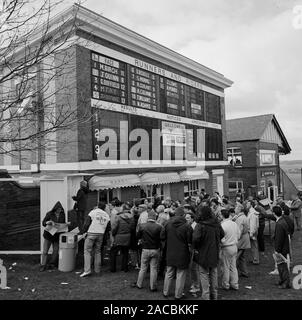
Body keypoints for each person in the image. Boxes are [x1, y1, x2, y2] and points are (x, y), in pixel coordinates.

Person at [193, 206, 225, 300]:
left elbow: (195, 238)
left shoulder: (200, 225)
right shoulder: (216, 223)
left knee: (203, 274)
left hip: (203, 252)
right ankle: (214, 295)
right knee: (213, 273)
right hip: (214, 251)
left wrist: (197, 246)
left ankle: (206, 296)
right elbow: (222, 234)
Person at [161, 207, 192, 300]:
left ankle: (165, 292)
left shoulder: (167, 223)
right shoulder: (187, 226)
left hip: (170, 251)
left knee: (169, 272)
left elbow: (162, 236)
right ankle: (178, 295)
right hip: (182, 253)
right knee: (180, 274)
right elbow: (190, 240)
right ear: (183, 215)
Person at [132, 210, 163, 291]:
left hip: (145, 249)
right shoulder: (159, 227)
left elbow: (137, 236)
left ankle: (139, 284)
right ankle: (153, 287)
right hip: (155, 249)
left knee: (143, 268)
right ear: (155, 217)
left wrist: (142, 239)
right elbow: (162, 238)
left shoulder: (142, 226)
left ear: (148, 217)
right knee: (153, 268)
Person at [79, 202, 111, 277]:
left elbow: (87, 223)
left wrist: (83, 232)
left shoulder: (93, 212)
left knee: (87, 251)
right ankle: (97, 270)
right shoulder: (106, 215)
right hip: (101, 234)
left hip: (91, 233)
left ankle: (87, 270)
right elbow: (108, 228)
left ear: (97, 206)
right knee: (98, 252)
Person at [40, 201, 66, 271]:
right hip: (48, 235)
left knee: (55, 251)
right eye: (58, 209)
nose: (59, 210)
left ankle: (51, 264)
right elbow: (43, 223)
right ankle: (43, 265)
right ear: (55, 208)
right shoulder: (49, 214)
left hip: (57, 235)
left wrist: (65, 225)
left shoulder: (63, 214)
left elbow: (62, 224)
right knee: (45, 251)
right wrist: (48, 222)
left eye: (60, 209)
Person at [110, 203, 135, 272]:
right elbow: (132, 228)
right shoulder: (131, 217)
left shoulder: (118, 217)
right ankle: (124, 268)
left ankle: (113, 268)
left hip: (118, 236)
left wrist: (113, 234)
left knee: (113, 252)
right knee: (125, 252)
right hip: (127, 236)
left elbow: (114, 227)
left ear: (123, 209)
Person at [220, 209, 241, 290]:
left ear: (222, 216)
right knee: (233, 266)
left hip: (226, 247)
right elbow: (238, 235)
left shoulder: (222, 225)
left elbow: (221, 238)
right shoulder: (234, 224)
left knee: (226, 267)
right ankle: (235, 284)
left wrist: (223, 243)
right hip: (234, 246)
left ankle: (226, 284)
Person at [272, 206, 291, 289]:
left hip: (281, 249)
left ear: (274, 213)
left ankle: (286, 282)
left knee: (282, 266)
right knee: (281, 265)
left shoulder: (279, 224)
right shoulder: (282, 221)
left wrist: (277, 250)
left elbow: (279, 238)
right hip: (284, 247)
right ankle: (282, 280)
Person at [232, 204, 250, 278]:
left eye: (236, 208)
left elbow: (239, 231)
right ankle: (244, 272)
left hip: (241, 239)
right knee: (241, 257)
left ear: (239, 209)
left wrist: (235, 239)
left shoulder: (240, 218)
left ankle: (233, 273)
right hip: (244, 239)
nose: (234, 209)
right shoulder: (242, 217)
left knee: (236, 257)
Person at [246, 200, 260, 265]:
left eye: (247, 204)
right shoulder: (250, 212)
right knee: (253, 246)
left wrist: (251, 234)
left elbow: (253, 224)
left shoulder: (252, 213)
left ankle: (256, 259)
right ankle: (254, 258)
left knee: (254, 245)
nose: (246, 205)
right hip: (252, 231)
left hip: (252, 231)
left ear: (251, 205)